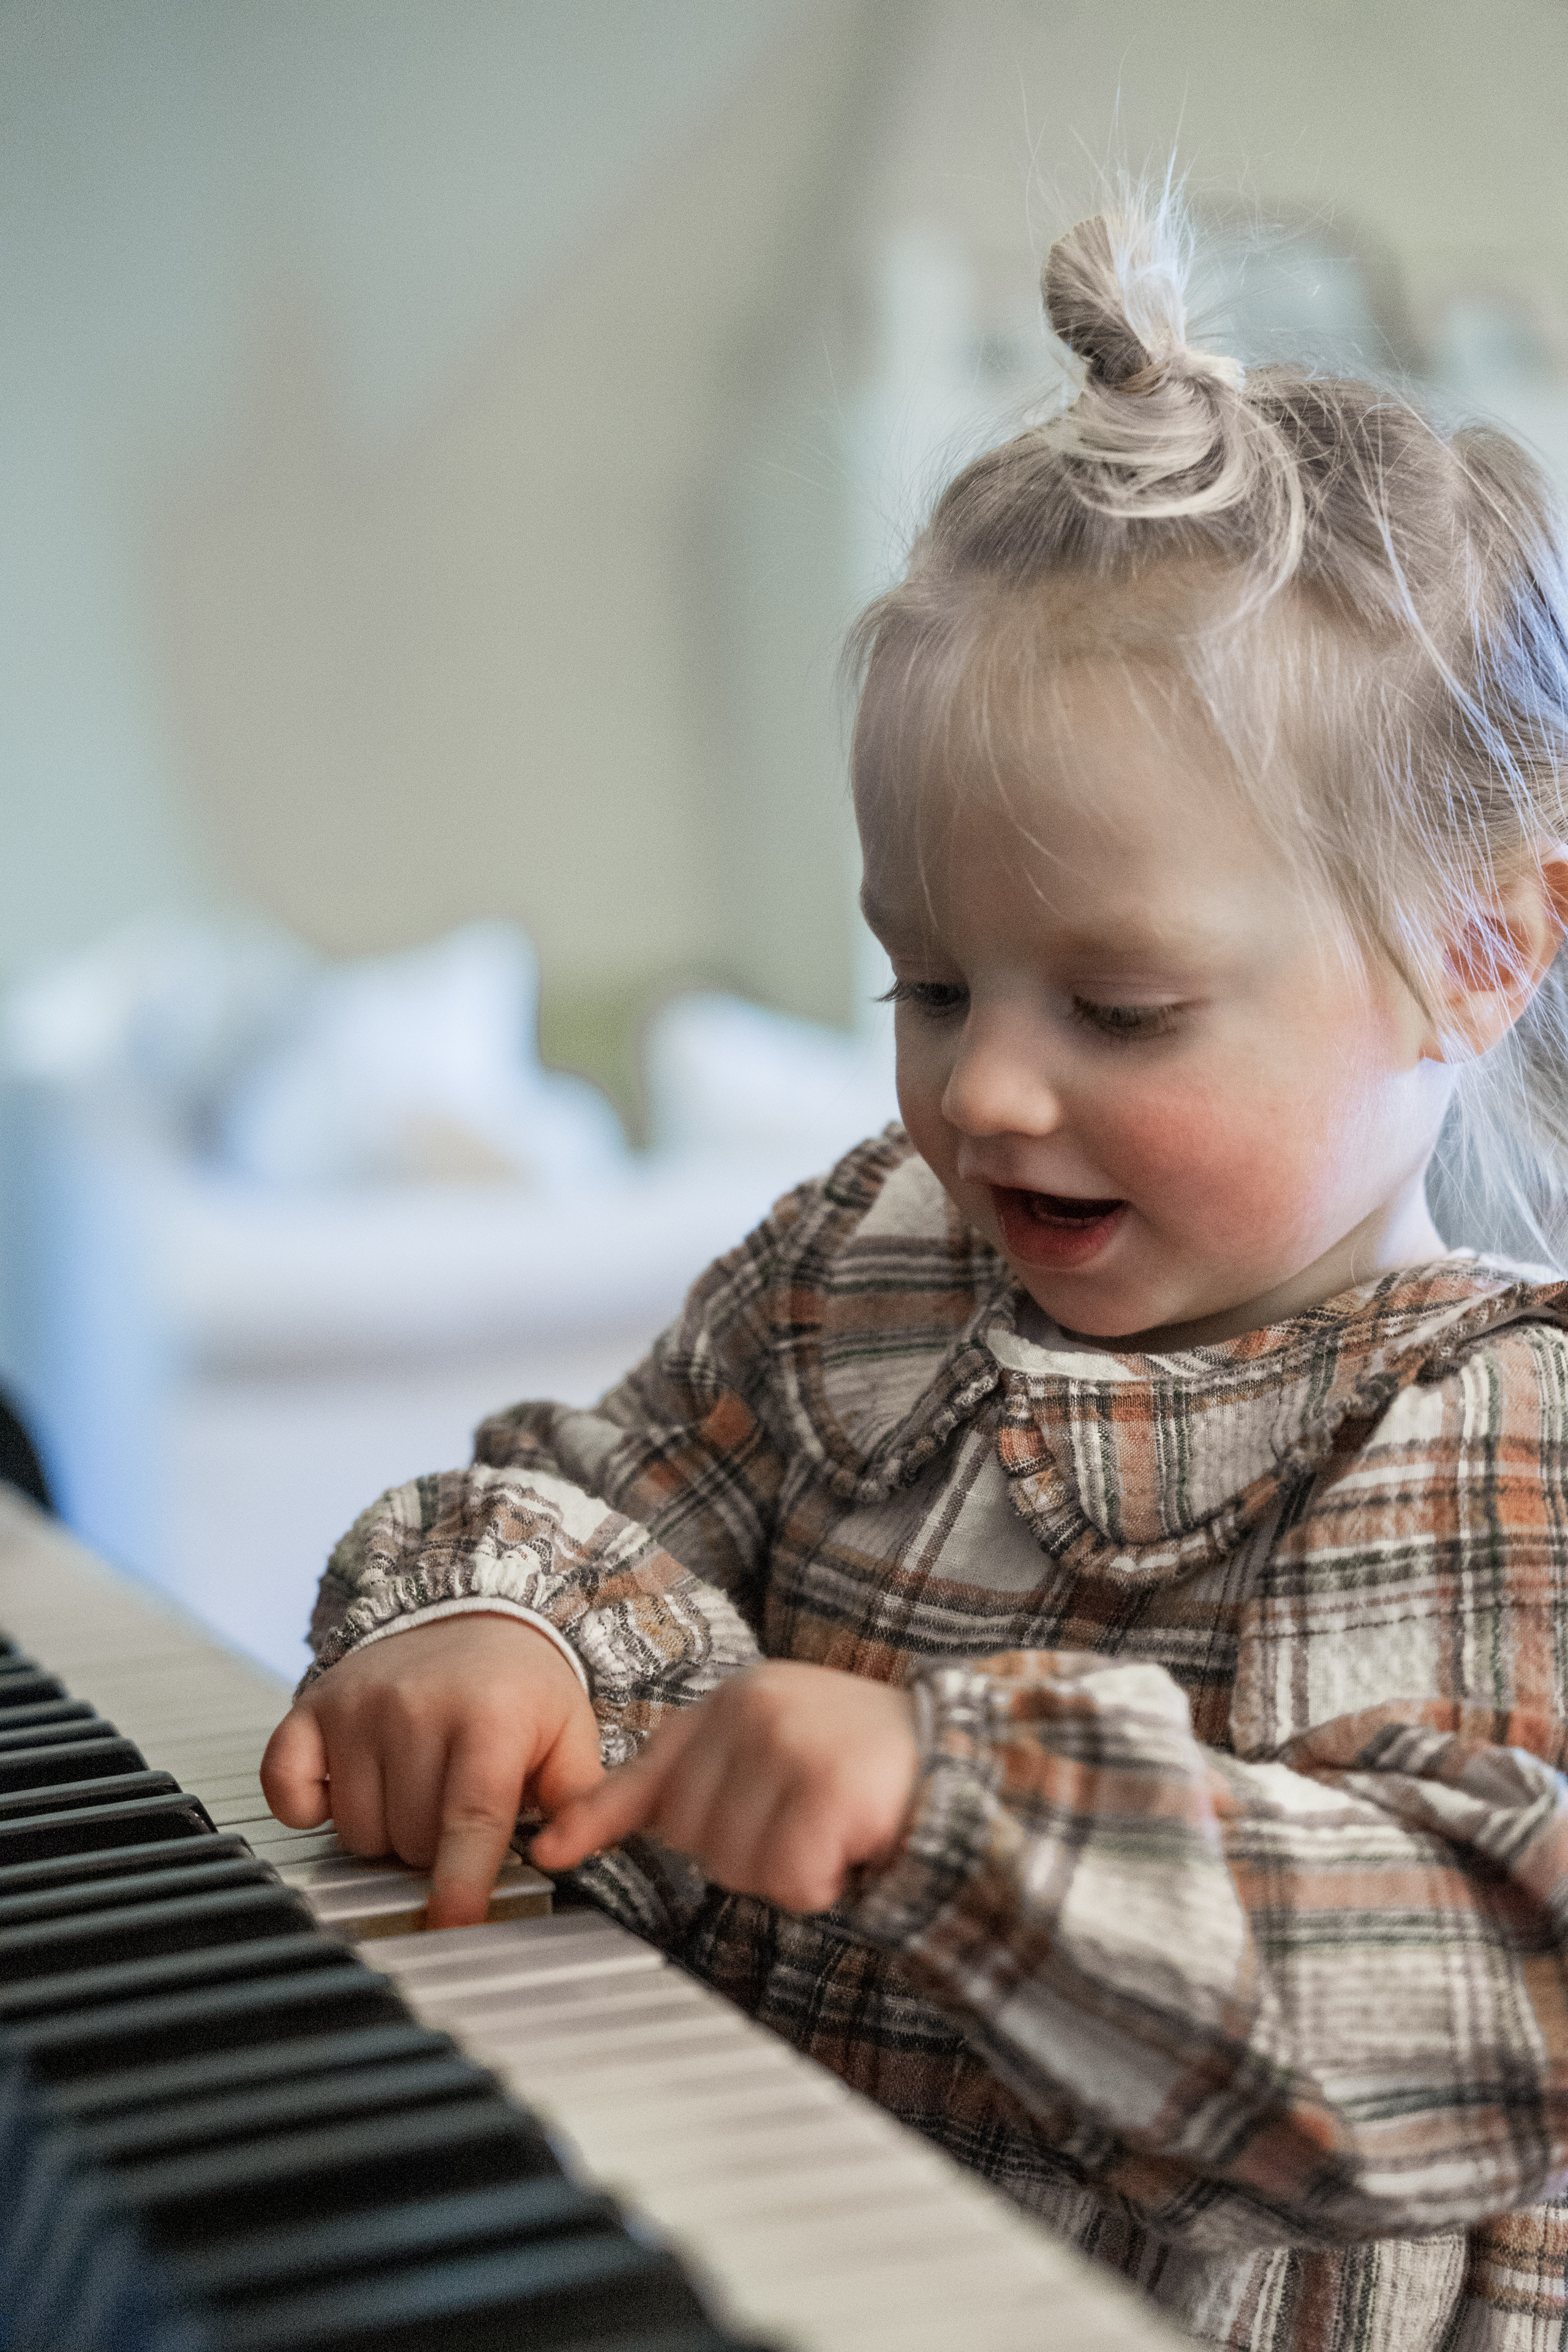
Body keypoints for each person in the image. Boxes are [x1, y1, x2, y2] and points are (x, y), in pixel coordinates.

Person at [262, 193, 1568, 2350]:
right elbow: (589, 1496)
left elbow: (1470, 1992)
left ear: (1484, 955)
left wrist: (961, 1808)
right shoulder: (867, 1273)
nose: (990, 1101)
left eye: (1121, 1011)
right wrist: (495, 1626)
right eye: (932, 983)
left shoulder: (1478, 1421)